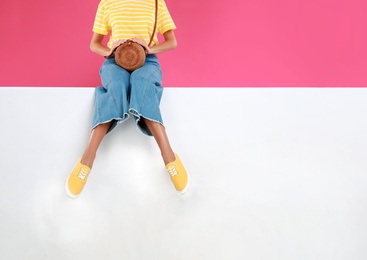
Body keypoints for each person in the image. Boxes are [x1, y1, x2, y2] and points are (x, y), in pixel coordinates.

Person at [65, 0, 190, 199]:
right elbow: (94, 43)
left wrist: (148, 48)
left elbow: (172, 41)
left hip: (147, 60)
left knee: (143, 83)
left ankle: (169, 158)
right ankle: (87, 160)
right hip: (115, 60)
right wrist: (109, 49)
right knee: (116, 86)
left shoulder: (156, 2)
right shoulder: (107, 3)